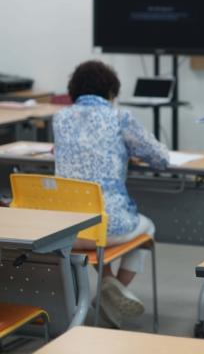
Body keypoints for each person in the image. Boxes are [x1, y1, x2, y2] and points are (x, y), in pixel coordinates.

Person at [53, 60, 169, 329]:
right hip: (106, 230)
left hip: (64, 231)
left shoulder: (59, 118)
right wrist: (127, 150)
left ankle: (107, 283)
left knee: (94, 222)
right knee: (147, 227)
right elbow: (161, 158)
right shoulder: (119, 117)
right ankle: (112, 287)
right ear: (111, 93)